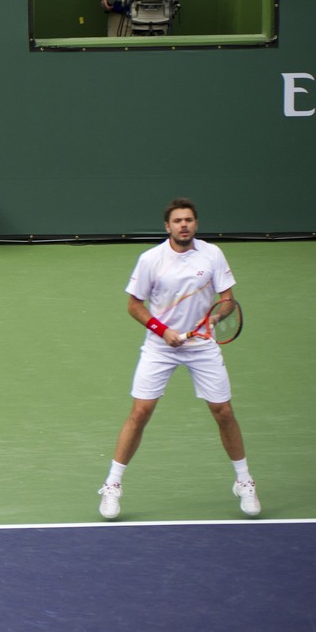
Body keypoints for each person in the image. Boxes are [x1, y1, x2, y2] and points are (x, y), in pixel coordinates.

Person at [97, 198, 260, 521]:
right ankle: (112, 485)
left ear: (196, 224)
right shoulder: (151, 259)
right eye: (177, 221)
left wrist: (213, 320)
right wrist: (163, 330)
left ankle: (244, 481)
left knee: (224, 412)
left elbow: (227, 300)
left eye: (188, 220)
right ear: (167, 227)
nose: (183, 225)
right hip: (160, 347)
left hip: (202, 345)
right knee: (140, 412)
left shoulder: (212, 254)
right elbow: (134, 305)